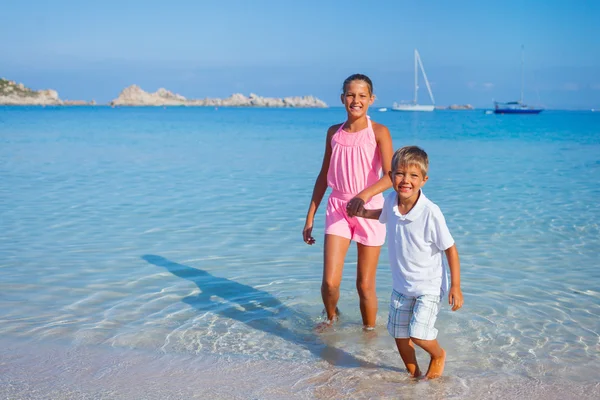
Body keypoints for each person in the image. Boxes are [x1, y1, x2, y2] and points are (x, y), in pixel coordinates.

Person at [353, 145, 463, 379]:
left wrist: (455, 286)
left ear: (424, 179)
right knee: (400, 336)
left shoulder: (430, 212)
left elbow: (450, 249)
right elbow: (383, 214)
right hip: (402, 285)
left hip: (429, 286)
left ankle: (438, 355)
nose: (406, 180)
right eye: (400, 173)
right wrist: (362, 213)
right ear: (391, 176)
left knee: (419, 335)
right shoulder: (392, 200)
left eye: (413, 175)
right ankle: (414, 378)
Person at [302, 74, 393, 330]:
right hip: (338, 208)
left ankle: (369, 337)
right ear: (342, 98)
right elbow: (323, 176)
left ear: (371, 100)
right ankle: (331, 321)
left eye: (362, 96)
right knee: (330, 283)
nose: (356, 100)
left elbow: (391, 175)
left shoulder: (379, 132)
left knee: (364, 285)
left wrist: (364, 196)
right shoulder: (333, 132)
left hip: (370, 209)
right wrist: (310, 216)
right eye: (351, 95)